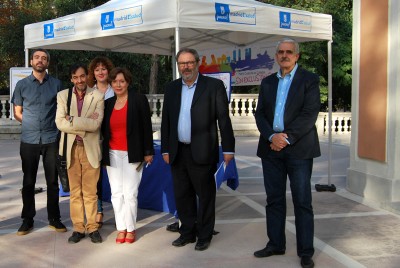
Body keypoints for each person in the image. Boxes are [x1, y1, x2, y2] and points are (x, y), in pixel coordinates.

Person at [254, 38, 321, 268]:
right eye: (281, 52)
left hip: (299, 150)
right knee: (274, 200)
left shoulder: (309, 80)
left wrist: (286, 138)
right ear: (276, 56)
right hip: (271, 149)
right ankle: (275, 244)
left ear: (297, 56)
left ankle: (305, 252)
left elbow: (309, 114)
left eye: (289, 52)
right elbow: (260, 114)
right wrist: (273, 137)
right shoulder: (267, 82)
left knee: (302, 201)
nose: (284, 55)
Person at [161, 48, 235, 251]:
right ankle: (187, 232)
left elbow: (224, 120)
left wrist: (228, 148)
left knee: (205, 196)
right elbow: (166, 121)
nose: (186, 67)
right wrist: (165, 149)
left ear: (197, 63)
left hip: (202, 151)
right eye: (181, 63)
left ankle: (204, 234)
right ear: (178, 66)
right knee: (182, 196)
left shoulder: (213, 86)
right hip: (178, 152)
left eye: (189, 62)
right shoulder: (172, 88)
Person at [11, 48, 67, 236]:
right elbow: (17, 111)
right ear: (32, 61)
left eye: (44, 58)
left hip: (52, 139)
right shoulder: (22, 85)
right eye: (37, 57)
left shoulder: (57, 84)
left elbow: (63, 110)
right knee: (28, 181)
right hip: (29, 139)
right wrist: (28, 123)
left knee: (52, 182)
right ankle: (27, 219)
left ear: (47, 63)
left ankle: (54, 218)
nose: (40, 60)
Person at [101, 67, 154, 244]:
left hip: (134, 154)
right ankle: (121, 228)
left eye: (121, 81)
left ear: (128, 82)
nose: (118, 84)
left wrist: (148, 152)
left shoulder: (138, 100)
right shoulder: (107, 103)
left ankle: (130, 229)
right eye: (114, 81)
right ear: (111, 83)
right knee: (116, 194)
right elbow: (102, 131)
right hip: (112, 154)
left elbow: (147, 127)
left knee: (130, 193)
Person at [55, 63, 104, 244]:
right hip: (70, 150)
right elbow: (60, 123)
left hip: (90, 150)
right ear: (71, 79)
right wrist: (83, 124)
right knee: (75, 193)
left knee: (91, 193)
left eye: (82, 76)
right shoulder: (63, 96)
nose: (79, 80)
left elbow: (96, 124)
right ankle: (78, 228)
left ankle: (92, 228)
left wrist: (72, 120)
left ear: (87, 76)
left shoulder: (98, 95)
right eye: (75, 77)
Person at [88, 56, 115, 228]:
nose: (100, 72)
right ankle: (98, 210)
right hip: (95, 139)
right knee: (95, 178)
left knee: (115, 176)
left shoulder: (117, 88)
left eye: (103, 68)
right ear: (93, 73)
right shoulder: (89, 92)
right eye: (97, 69)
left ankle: (121, 212)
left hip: (114, 138)